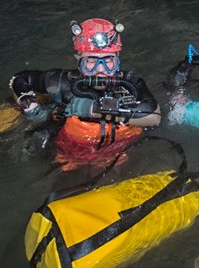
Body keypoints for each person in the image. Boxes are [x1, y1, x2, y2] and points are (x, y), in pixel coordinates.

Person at [10, 18, 161, 170]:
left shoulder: (130, 82)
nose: (100, 70)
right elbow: (20, 79)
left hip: (122, 153)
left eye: (109, 61)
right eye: (91, 62)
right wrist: (30, 106)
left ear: (117, 61)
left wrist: (92, 109)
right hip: (70, 157)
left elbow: (154, 116)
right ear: (79, 62)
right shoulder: (63, 82)